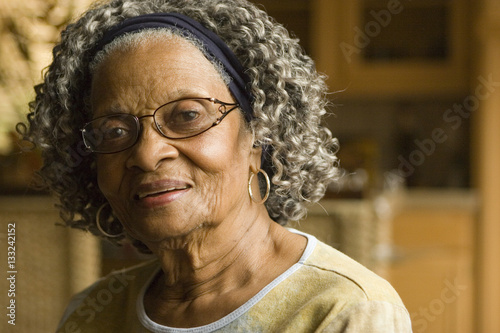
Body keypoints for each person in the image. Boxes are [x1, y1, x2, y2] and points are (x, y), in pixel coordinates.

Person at [19, 0, 412, 331]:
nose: (146, 154)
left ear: (258, 137)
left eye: (187, 115)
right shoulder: (90, 314)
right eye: (115, 130)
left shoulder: (344, 311)